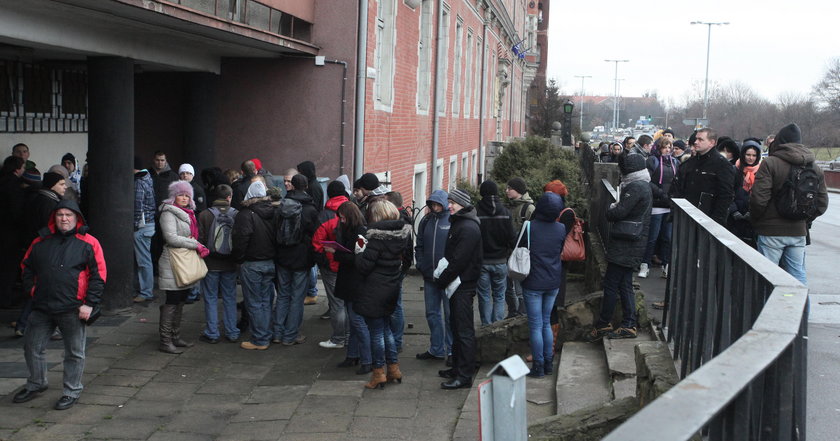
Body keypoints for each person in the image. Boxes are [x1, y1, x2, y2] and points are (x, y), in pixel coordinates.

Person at [14, 200, 105, 410]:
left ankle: (71, 390)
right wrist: (32, 291)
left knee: (74, 352)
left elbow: (98, 275)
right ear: (54, 218)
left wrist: (90, 304)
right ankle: (37, 383)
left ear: (77, 218)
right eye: (60, 215)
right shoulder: (40, 241)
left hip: (73, 308)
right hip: (42, 306)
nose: (64, 218)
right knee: (32, 347)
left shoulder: (90, 242)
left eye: (69, 215)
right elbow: (26, 267)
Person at [750, 123, 829, 286]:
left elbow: (759, 199)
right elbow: (822, 203)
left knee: (768, 279)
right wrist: (804, 219)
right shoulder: (814, 167)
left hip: (770, 231)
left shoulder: (770, 163)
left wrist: (757, 220)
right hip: (798, 231)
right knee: (798, 277)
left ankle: (771, 311)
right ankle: (801, 312)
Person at [588, 154, 652, 341]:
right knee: (625, 285)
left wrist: (611, 208)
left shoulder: (636, 186)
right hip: (631, 243)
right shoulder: (643, 184)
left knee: (611, 284)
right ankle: (628, 324)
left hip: (626, 244)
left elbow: (619, 212)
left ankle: (604, 323)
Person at [355, 200, 412, 389]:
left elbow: (364, 266)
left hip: (374, 289)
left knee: (376, 332)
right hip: (391, 286)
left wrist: (359, 250)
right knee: (387, 329)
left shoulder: (376, 238)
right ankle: (394, 368)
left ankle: (378, 372)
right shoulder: (401, 235)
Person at [436, 189, 483, 390]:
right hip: (457, 284)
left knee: (463, 331)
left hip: (463, 285)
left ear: (462, 204)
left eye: (453, 202)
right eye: (449, 202)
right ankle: (457, 368)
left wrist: (442, 280)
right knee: (456, 327)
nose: (449, 206)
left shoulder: (468, 228)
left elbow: (459, 260)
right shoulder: (461, 223)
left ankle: (464, 375)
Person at [156, 181, 208, 353]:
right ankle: (165, 341)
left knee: (180, 300)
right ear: (174, 196)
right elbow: (171, 237)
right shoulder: (168, 212)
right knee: (172, 300)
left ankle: (175, 336)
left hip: (183, 260)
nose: (184, 198)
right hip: (172, 260)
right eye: (180, 194)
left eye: (187, 195)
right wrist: (196, 245)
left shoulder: (188, 213)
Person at [520, 192, 566, 377]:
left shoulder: (529, 227)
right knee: (547, 322)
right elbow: (560, 250)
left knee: (535, 325)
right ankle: (548, 363)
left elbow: (520, 247)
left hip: (533, 281)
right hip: (553, 281)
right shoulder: (561, 228)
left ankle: (538, 366)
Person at [273, 174, 320, 345]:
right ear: (306, 186)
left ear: (291, 186)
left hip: (283, 256)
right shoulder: (310, 209)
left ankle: (277, 333)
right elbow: (315, 235)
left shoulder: (281, 206)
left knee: (283, 295)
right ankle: (290, 335)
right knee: (297, 297)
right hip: (301, 258)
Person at [232, 181, 276, 349]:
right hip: (270, 262)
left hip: (252, 264)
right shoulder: (273, 211)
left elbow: (241, 239)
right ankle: (266, 333)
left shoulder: (245, 214)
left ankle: (260, 339)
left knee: (255, 302)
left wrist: (239, 259)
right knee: (266, 300)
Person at [330, 201, 372, 373]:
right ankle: (353, 355)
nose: (341, 220)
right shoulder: (349, 230)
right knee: (353, 323)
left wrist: (336, 253)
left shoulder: (360, 232)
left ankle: (367, 360)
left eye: (343, 217)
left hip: (355, 283)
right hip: (349, 281)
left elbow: (358, 259)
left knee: (357, 322)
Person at [197, 184, 240, 344]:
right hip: (229, 264)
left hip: (210, 263)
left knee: (210, 297)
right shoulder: (236, 214)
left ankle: (212, 333)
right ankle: (232, 332)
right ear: (229, 197)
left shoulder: (204, 215)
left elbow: (199, 240)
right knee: (230, 297)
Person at [414, 190, 453, 362]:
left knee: (450, 314)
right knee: (432, 313)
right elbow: (419, 244)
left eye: (438, 204)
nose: (435, 207)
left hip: (448, 278)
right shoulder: (426, 220)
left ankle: (451, 351)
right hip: (429, 276)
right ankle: (436, 348)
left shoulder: (452, 220)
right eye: (432, 204)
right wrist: (421, 264)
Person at [312, 181, 351, 349]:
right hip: (350, 265)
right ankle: (350, 337)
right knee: (349, 303)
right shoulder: (353, 211)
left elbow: (317, 243)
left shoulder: (324, 215)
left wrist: (323, 261)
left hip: (331, 267)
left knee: (337, 304)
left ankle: (338, 338)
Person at [669, 128, 735, 226]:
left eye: (700, 139)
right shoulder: (688, 164)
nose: (696, 142)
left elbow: (726, 196)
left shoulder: (722, 165)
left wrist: (716, 222)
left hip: (708, 221)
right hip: (684, 218)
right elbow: (676, 189)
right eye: (696, 139)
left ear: (712, 143)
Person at [475, 180, 515, 325]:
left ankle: (486, 326)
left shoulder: (476, 212)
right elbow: (512, 238)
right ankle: (497, 326)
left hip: (482, 262)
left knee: (484, 295)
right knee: (499, 295)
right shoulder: (505, 212)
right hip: (500, 261)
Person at [639, 139, 679, 280]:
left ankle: (666, 265)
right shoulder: (652, 160)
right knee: (652, 237)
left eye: (669, 147)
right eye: (665, 147)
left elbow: (677, 181)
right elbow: (648, 180)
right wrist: (661, 194)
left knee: (667, 238)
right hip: (656, 204)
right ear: (658, 148)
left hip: (669, 205)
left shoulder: (675, 162)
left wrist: (672, 197)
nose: (667, 149)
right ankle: (645, 264)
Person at [505, 177, 534, 317]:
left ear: (518, 190)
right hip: (510, 251)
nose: (506, 191)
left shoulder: (528, 208)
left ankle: (521, 313)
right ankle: (513, 312)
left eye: (509, 188)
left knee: (519, 286)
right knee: (509, 286)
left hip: (521, 254)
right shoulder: (511, 206)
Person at [0, 156, 26, 310]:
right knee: (9, 268)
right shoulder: (15, 186)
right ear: (17, 169)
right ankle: (5, 298)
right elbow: (17, 212)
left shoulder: (2, 182)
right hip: (11, 233)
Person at [728, 140, 762, 247]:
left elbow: (762, 194)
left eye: (754, 155)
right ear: (743, 154)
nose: (751, 158)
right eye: (748, 155)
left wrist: (752, 212)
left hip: (752, 219)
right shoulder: (734, 170)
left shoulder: (762, 171)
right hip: (734, 218)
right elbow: (728, 191)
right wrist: (733, 211)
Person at [133, 157, 157, 303]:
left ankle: (146, 292)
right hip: (149, 224)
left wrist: (134, 225)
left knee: (143, 261)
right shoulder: (147, 178)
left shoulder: (138, 182)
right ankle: (145, 290)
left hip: (141, 226)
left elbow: (137, 206)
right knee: (145, 259)